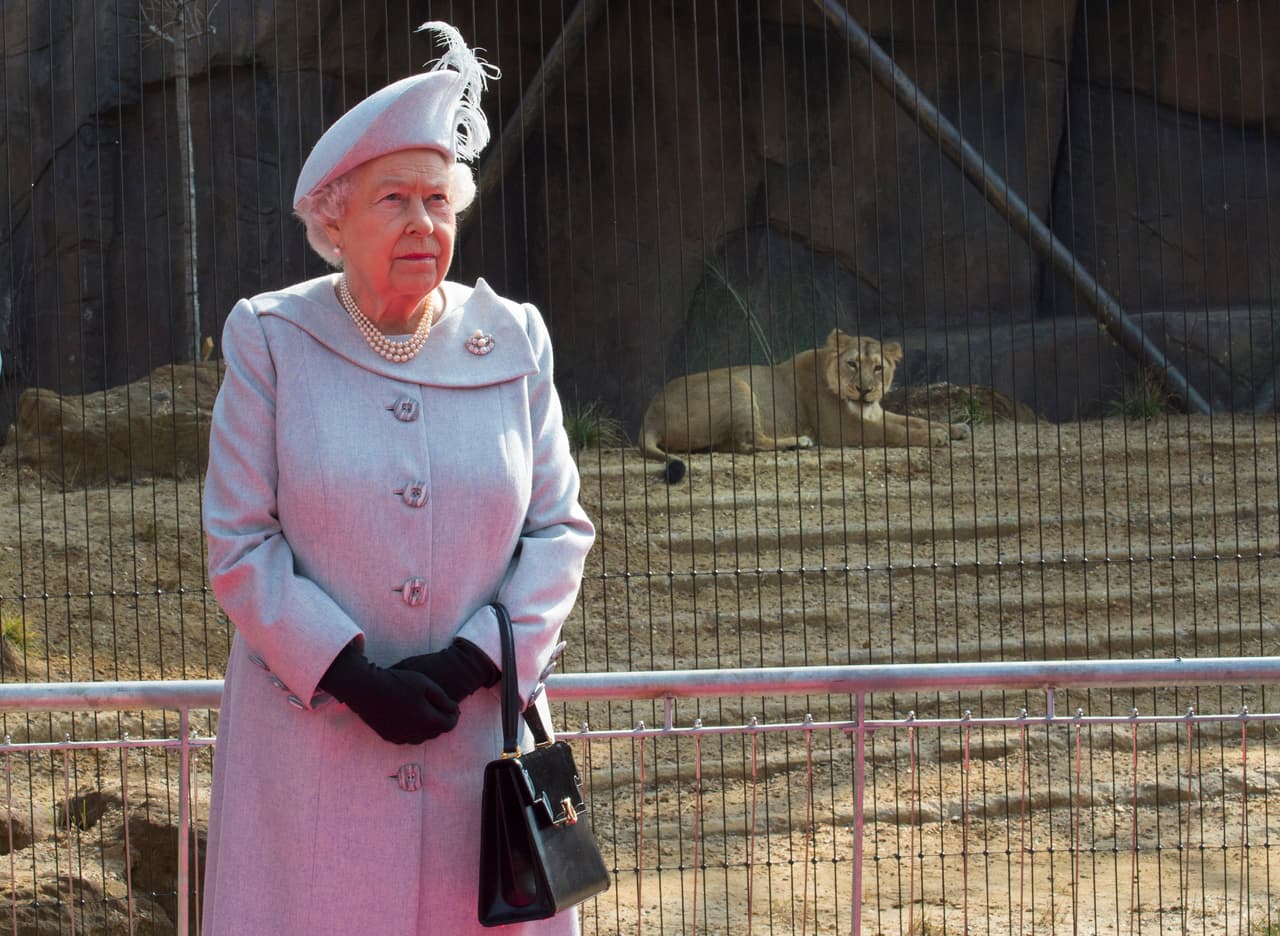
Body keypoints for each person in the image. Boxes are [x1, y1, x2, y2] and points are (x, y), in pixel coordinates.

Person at [200, 21, 595, 935]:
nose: (424, 223)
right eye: (395, 201)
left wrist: (473, 663)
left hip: (479, 763)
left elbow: (560, 531)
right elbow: (239, 540)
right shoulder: (271, 340)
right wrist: (349, 673)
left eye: (438, 200)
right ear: (334, 217)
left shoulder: (515, 340)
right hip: (314, 763)